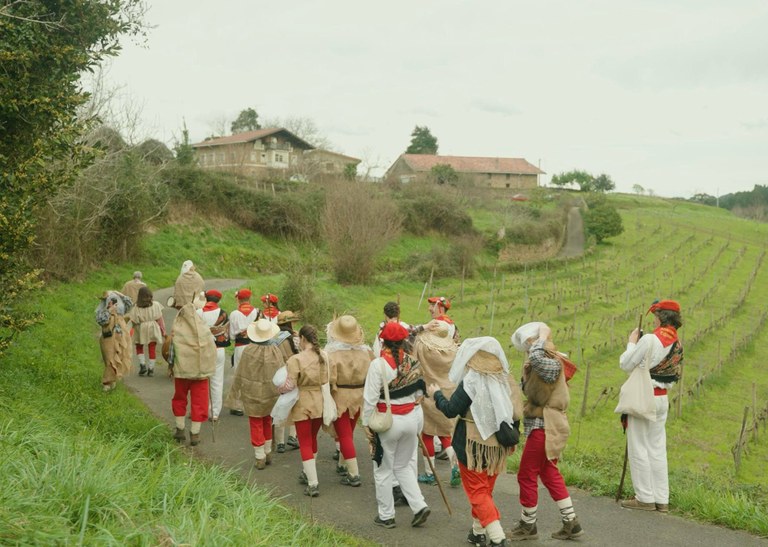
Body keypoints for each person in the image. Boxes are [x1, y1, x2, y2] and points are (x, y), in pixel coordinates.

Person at [427, 337, 523, 547]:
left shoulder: (471, 381)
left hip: (472, 444)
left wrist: (436, 395)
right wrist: (514, 436)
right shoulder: (506, 379)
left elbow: (451, 410)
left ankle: (497, 538)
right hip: (498, 445)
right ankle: (477, 532)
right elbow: (516, 413)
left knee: (477, 492)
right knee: (485, 490)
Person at [509, 322, 583, 541]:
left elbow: (539, 361)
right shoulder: (543, 362)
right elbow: (530, 390)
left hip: (545, 427)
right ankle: (571, 522)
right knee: (549, 472)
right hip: (547, 426)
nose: (528, 351)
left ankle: (528, 525)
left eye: (528, 344)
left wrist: (539, 339)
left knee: (526, 474)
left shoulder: (549, 361)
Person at [362, 322, 430, 529]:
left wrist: (367, 424)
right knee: (403, 465)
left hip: (387, 422)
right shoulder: (413, 363)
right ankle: (419, 506)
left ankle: (386, 515)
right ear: (404, 341)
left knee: (383, 470)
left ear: (382, 341)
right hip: (411, 420)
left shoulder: (378, 365)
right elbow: (420, 395)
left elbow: (370, 399)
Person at [619, 299, 684, 513]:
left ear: (660, 316)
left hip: (643, 396)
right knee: (657, 448)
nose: (653, 318)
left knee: (638, 445)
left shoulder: (649, 340)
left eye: (655, 315)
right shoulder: (677, 344)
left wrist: (631, 342)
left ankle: (645, 498)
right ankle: (661, 498)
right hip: (662, 398)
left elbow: (626, 364)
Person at [230, 318, 293, 469]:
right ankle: (268, 451)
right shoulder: (275, 350)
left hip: (252, 392)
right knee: (267, 420)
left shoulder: (248, 350)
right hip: (271, 392)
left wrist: (236, 390)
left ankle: (259, 457)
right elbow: (281, 371)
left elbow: (240, 372)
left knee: (255, 421)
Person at [168, 263, 216, 447]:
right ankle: (195, 433)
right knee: (200, 400)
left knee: (179, 397)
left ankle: (180, 429)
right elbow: (210, 347)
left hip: (182, 369)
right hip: (201, 371)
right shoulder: (203, 319)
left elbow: (173, 346)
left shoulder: (179, 321)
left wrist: (171, 365)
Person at [325, 315, 374, 487]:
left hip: (340, 396)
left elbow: (328, 378)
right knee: (349, 432)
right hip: (359, 396)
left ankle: (354, 474)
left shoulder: (331, 354)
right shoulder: (366, 352)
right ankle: (342, 464)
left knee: (344, 434)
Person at [284, 324, 331, 497]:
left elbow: (290, 384)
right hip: (319, 400)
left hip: (303, 401)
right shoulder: (323, 357)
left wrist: (280, 388)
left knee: (304, 441)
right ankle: (307, 472)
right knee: (312, 438)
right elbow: (326, 378)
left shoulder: (295, 359)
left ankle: (313, 482)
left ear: (303, 339)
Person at [411, 320, 460, 487]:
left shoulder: (423, 347)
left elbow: (413, 362)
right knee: (445, 433)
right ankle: (456, 467)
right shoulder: (453, 350)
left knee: (428, 433)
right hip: (448, 390)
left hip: (428, 391)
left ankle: (430, 473)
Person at [226, 288, 260, 416]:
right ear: (249, 298)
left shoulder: (234, 313)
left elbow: (232, 336)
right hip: (254, 346)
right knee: (254, 375)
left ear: (238, 299)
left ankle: (238, 406)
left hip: (240, 346)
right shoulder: (257, 312)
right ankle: (254, 404)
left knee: (238, 374)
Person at [197, 289, 229, 422]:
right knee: (217, 381)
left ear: (206, 298)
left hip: (203, 349)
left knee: (202, 380)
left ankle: (202, 409)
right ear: (218, 300)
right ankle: (215, 412)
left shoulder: (198, 312)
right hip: (219, 349)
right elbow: (227, 334)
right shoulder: (223, 314)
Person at [95, 291, 133, 392]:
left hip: (121, 336)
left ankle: (113, 380)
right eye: (111, 299)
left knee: (120, 356)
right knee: (110, 358)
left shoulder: (121, 313)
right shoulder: (103, 311)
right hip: (108, 338)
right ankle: (107, 383)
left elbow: (130, 303)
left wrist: (120, 294)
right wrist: (109, 310)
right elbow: (100, 320)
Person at [129, 286, 166, 377]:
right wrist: (163, 330)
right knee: (152, 347)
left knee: (139, 345)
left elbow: (133, 321)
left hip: (140, 327)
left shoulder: (136, 307)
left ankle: (142, 365)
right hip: (153, 327)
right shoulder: (156, 305)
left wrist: (128, 332)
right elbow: (160, 319)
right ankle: (151, 368)